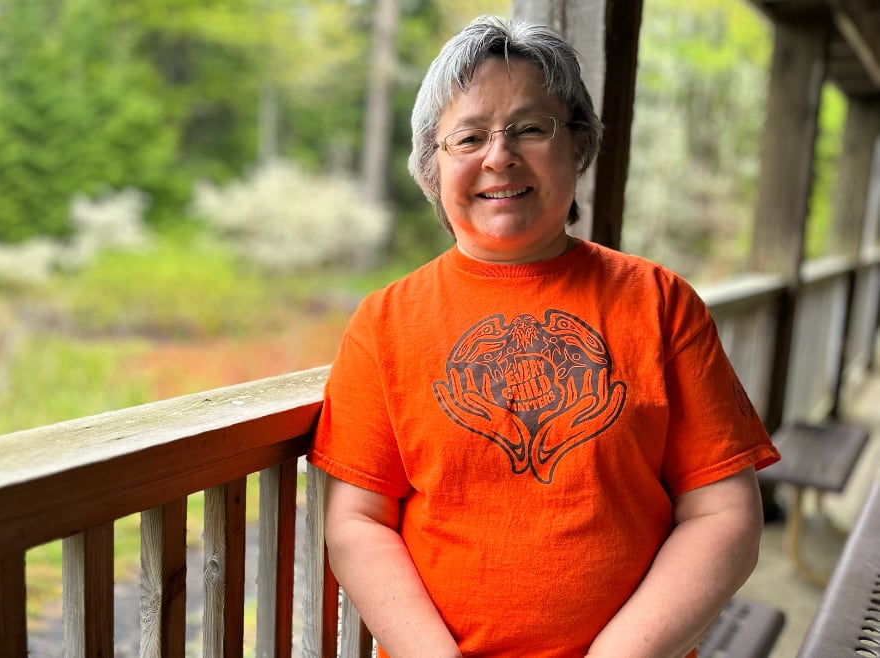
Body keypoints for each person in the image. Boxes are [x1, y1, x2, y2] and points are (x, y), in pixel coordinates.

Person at [307, 15, 780, 658]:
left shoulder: (661, 304)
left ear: (578, 144)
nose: (499, 156)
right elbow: (359, 522)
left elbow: (724, 516)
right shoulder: (385, 322)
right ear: (431, 166)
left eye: (530, 128)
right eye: (467, 137)